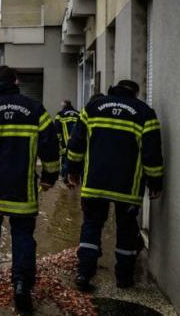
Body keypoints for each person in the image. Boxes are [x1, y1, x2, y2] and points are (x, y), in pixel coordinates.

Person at [0, 65, 60, 313]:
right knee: (23, 234)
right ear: (16, 81)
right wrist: (50, 177)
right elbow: (50, 148)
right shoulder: (36, 109)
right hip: (23, 190)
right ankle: (21, 284)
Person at [66, 80, 163, 292]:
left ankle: (84, 273)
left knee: (91, 226)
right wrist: (155, 182)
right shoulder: (145, 113)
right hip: (127, 187)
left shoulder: (92, 108)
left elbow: (76, 144)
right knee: (126, 231)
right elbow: (152, 154)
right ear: (135, 93)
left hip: (94, 184)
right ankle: (124, 279)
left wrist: (72, 171)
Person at [54, 100, 80, 180]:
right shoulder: (78, 113)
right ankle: (75, 176)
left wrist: (57, 140)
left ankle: (64, 175)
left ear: (65, 105)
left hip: (65, 142)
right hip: (77, 141)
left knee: (65, 157)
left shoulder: (60, 114)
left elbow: (57, 128)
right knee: (76, 157)